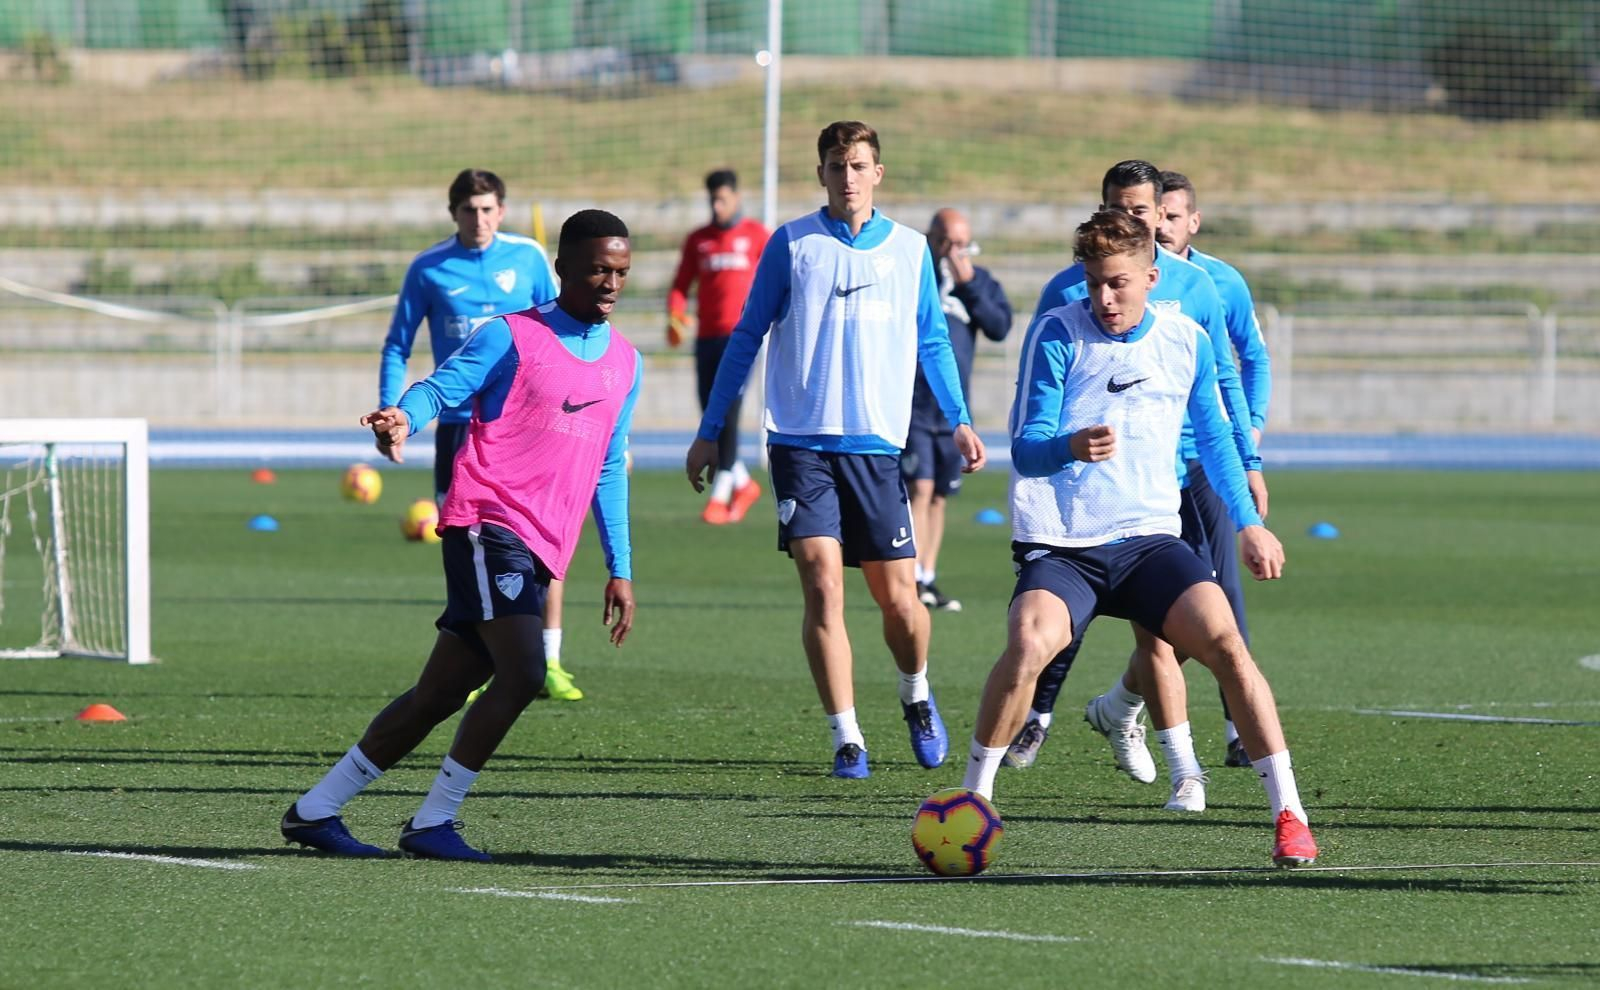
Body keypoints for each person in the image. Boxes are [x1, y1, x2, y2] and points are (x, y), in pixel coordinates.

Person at [961, 209, 1317, 867]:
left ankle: (1289, 814)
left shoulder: (1186, 339)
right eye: (1094, 282)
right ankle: (972, 799)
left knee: (1228, 645)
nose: (1104, 298)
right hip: (1065, 544)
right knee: (1029, 643)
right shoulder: (1056, 335)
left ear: (1153, 276)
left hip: (1150, 540)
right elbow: (1028, 448)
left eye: (1118, 282)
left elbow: (1212, 438)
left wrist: (1249, 523)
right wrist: (1069, 446)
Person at [283, 210, 641, 862]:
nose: (609, 282)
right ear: (560, 267)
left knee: (440, 694)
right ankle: (435, 819)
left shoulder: (625, 361)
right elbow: (443, 388)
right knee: (525, 671)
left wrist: (620, 566)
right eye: (596, 268)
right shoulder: (512, 335)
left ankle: (315, 810)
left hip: (541, 546)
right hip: (487, 524)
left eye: (619, 271)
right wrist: (403, 418)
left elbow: (610, 465)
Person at [684, 120, 986, 779]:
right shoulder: (790, 244)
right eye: (835, 165)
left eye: (858, 166)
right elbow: (745, 338)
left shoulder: (908, 251)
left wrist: (960, 420)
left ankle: (915, 694)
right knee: (822, 583)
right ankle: (846, 736)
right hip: (800, 444)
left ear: (878, 173)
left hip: (876, 448)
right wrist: (711, 429)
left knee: (900, 601)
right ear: (819, 173)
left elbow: (932, 341)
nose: (847, 177)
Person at [1002, 161, 1263, 790]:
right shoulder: (1069, 291)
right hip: (1085, 492)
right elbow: (1037, 405)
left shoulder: (1201, 285)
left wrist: (1248, 462)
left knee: (1192, 624)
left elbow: (1225, 376)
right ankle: (1046, 715)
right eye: (1119, 206)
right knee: (1062, 629)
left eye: (1143, 210)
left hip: (1181, 474)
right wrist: (1066, 446)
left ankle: (1169, 750)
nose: (1133, 217)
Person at [377, 168, 584, 703]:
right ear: (454, 214)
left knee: (544, 535)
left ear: (503, 210)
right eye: (470, 210)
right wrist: (393, 410)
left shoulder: (530, 259)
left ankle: (550, 659)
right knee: (465, 544)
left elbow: (561, 327)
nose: (480, 220)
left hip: (527, 425)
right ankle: (479, 659)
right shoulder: (428, 269)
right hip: (458, 426)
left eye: (489, 209)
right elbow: (398, 344)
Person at [1152, 169, 1272, 768]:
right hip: (1143, 465)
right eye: (1157, 213)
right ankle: (1109, 705)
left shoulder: (1218, 283)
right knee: (1155, 604)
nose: (1163, 225)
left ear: (1193, 221)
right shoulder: (1118, 283)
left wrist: (1249, 444)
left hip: (1205, 455)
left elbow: (1249, 361)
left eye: (1174, 215)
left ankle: (1234, 729)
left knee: (1220, 586)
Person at [904, 209, 1012, 612]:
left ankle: (928, 576)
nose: (954, 251)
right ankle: (909, 576)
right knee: (920, 488)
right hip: (914, 405)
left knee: (940, 497)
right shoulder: (916, 277)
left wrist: (969, 286)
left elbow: (999, 325)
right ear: (930, 240)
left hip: (952, 414)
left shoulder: (977, 282)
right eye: (946, 242)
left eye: (961, 243)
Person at [667, 169, 770, 524]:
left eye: (723, 198)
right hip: (706, 338)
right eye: (712, 199)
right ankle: (743, 483)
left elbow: (775, 280)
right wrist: (675, 316)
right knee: (709, 414)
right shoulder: (699, 240)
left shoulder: (757, 236)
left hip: (740, 340)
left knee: (729, 411)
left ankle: (721, 494)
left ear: (736, 198)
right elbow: (680, 284)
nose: (717, 204)